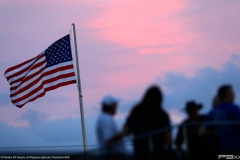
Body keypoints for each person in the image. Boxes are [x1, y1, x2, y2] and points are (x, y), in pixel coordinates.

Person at [123, 85, 172, 160]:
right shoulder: (162, 114)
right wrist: (169, 149)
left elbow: (126, 131)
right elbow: (168, 138)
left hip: (140, 154)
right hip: (159, 154)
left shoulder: (136, 111)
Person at [206, 85, 240, 154]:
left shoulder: (213, 112)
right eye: (232, 93)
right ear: (228, 95)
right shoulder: (234, 108)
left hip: (224, 150)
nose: (234, 95)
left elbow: (202, 131)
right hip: (237, 148)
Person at [96, 95, 126, 160]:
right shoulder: (105, 119)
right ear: (111, 106)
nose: (116, 107)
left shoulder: (105, 118)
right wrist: (123, 134)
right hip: (113, 156)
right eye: (115, 105)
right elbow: (108, 140)